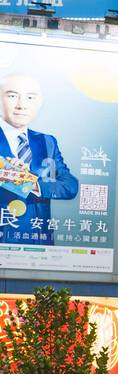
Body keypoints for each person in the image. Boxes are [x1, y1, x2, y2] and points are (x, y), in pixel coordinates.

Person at [0, 73, 79, 247]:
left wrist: (30, 183)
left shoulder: (47, 141)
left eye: (30, 97)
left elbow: (70, 185)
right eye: (12, 96)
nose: (21, 105)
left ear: (39, 102)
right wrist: (7, 174)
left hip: (38, 245)